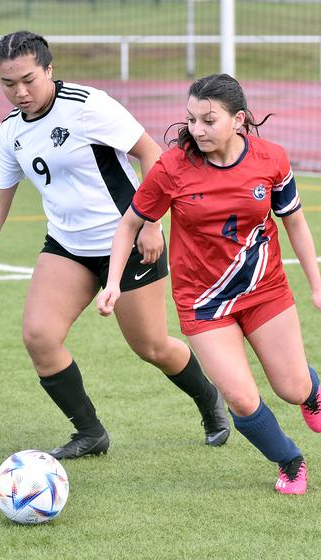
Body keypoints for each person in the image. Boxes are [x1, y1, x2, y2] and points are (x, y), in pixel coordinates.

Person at [0, 33, 230, 460]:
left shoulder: (88, 105)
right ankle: (90, 432)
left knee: (151, 347)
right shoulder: (9, 132)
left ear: (50, 70)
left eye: (28, 80)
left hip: (127, 240)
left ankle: (208, 400)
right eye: (7, 83)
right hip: (66, 246)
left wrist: (150, 222)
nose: (19, 92)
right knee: (39, 336)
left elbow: (153, 154)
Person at [97, 73, 321, 494]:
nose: (196, 130)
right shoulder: (171, 167)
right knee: (240, 397)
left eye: (208, 120)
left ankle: (311, 391)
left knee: (290, 386)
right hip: (202, 303)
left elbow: (295, 222)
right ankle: (290, 461)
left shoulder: (272, 159)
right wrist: (112, 283)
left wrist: (316, 283)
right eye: (191, 119)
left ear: (238, 120)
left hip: (264, 290)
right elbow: (129, 225)